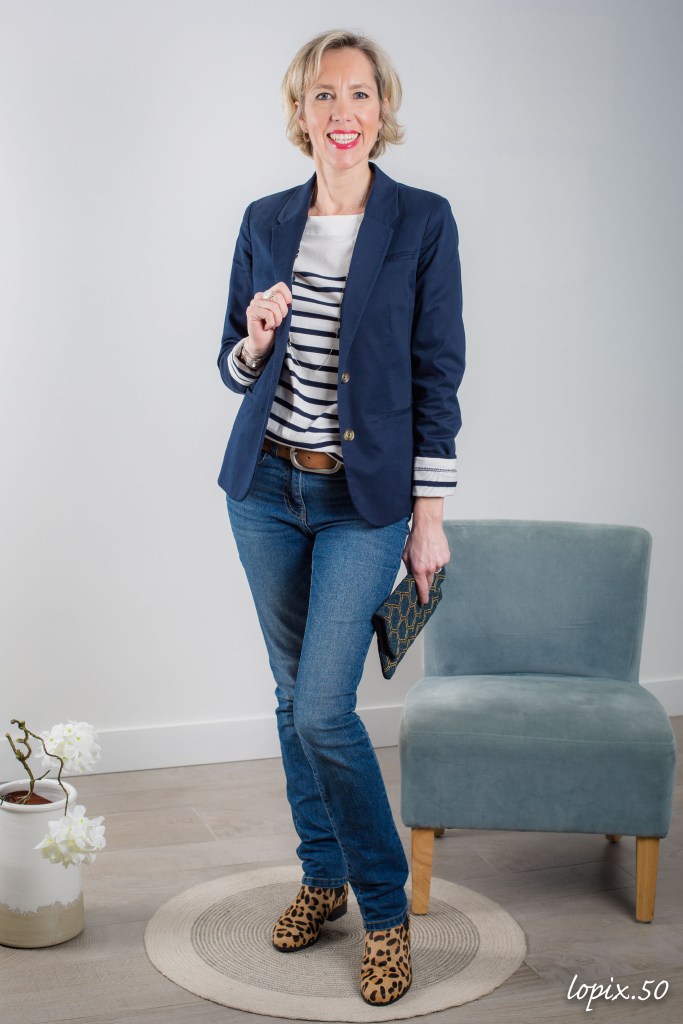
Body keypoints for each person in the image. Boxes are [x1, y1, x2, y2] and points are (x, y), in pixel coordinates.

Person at [216, 28, 465, 1007]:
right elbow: (232, 362)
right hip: (265, 491)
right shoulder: (266, 219)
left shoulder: (421, 221)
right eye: (323, 95)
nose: (342, 112)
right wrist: (254, 340)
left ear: (381, 108)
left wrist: (427, 516)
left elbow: (437, 374)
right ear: (300, 112)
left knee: (324, 706)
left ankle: (384, 912)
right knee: (292, 699)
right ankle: (320, 876)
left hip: (364, 501)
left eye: (359, 93)